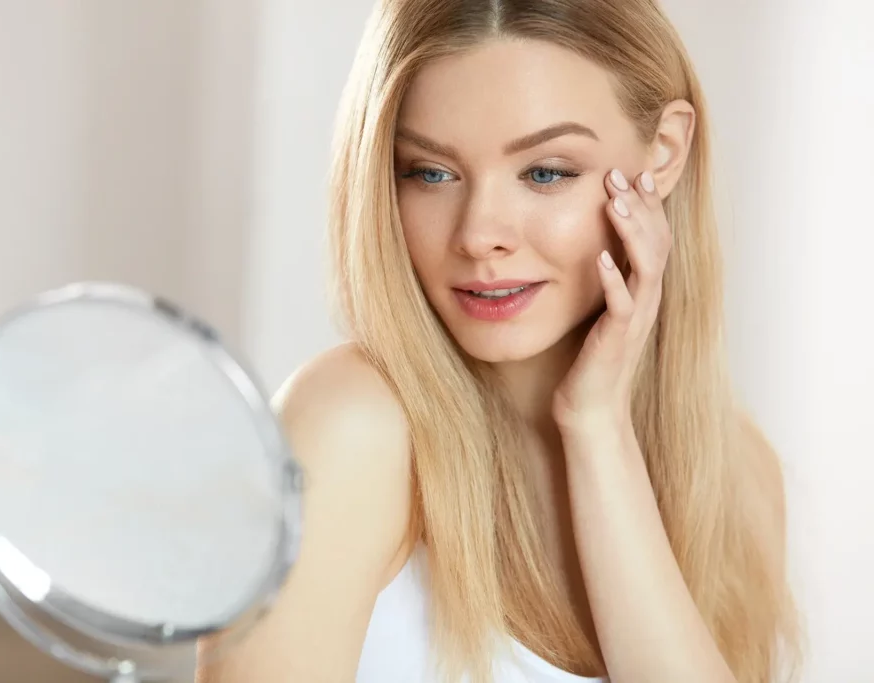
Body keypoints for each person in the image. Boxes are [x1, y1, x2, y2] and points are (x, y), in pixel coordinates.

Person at [196, 1, 801, 681]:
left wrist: (598, 428)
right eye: (429, 172)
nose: (480, 233)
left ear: (662, 153)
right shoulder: (349, 429)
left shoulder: (740, 480)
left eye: (546, 172)